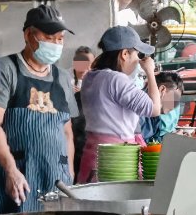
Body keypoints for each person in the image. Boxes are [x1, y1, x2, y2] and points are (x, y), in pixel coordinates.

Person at [0, 5, 78, 215]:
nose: (55, 44)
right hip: (17, 176)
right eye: (49, 37)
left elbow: (67, 132)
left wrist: (69, 173)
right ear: (28, 35)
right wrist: (10, 170)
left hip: (56, 178)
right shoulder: (6, 69)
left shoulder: (63, 78)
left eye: (60, 38)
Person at [77, 25, 161, 183]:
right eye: (137, 53)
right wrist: (150, 72)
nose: (138, 60)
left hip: (92, 153)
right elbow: (155, 109)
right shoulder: (116, 79)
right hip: (117, 158)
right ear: (124, 54)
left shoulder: (91, 77)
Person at [71, 46, 95, 179]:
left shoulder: (97, 84)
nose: (85, 67)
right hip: (71, 142)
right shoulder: (64, 81)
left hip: (88, 142)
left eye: (88, 63)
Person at [140, 72, 183, 143]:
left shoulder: (155, 114)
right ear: (162, 90)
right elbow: (139, 144)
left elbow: (153, 141)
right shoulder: (139, 107)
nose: (175, 106)